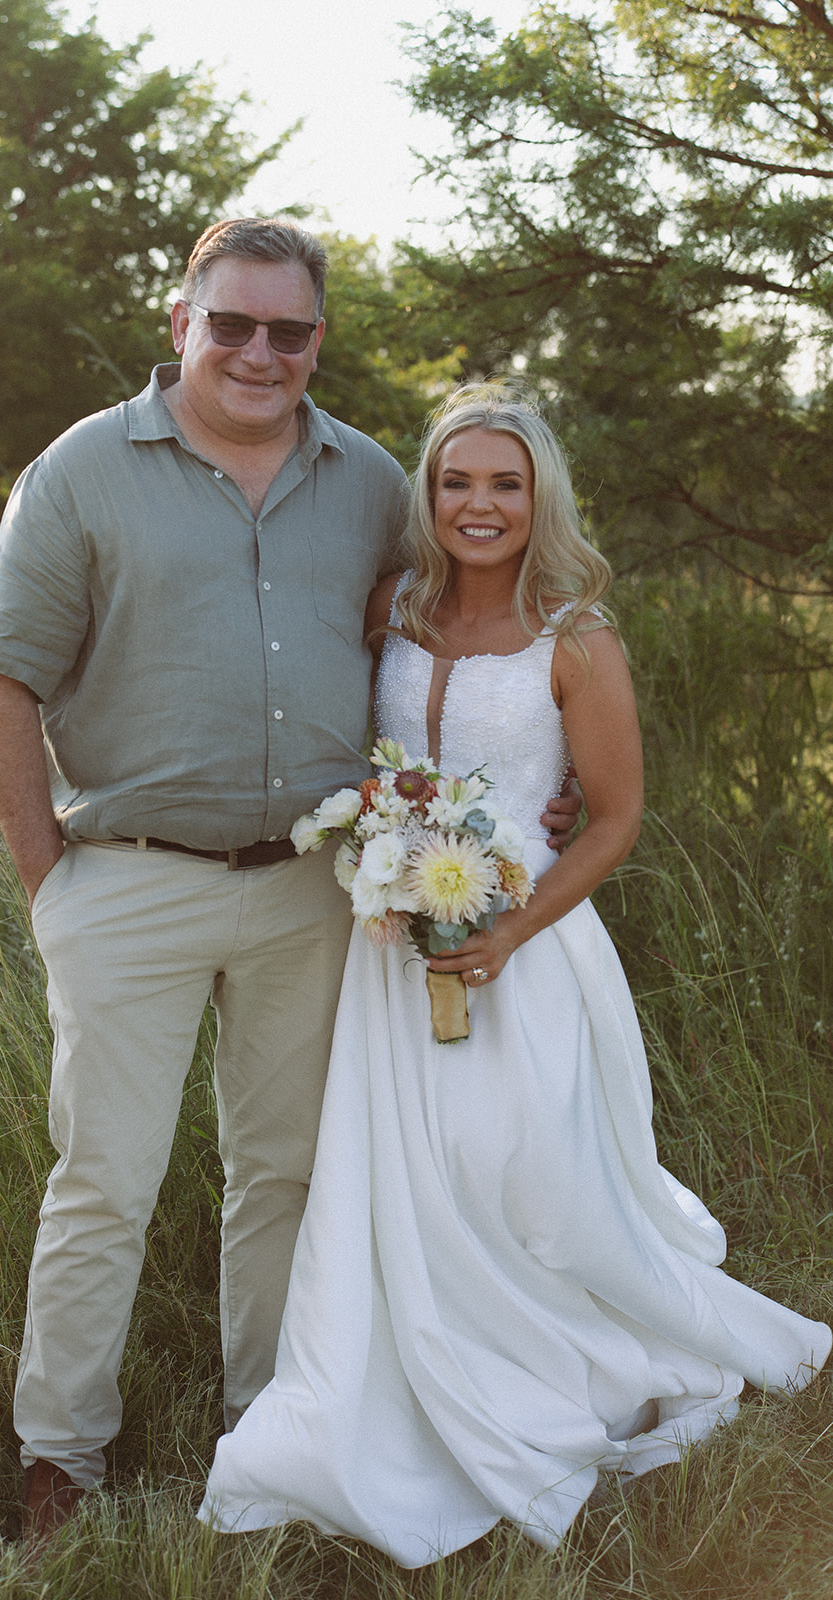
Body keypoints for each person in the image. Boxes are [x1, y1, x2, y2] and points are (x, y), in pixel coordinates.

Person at [0, 221, 580, 1539]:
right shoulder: (80, 471)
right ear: (178, 321)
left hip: (313, 891)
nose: (256, 352)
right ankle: (62, 1452)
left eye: (285, 331)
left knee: (285, 1173)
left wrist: (518, 782)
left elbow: (433, 636)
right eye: (229, 323)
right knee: (102, 1180)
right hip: (124, 878)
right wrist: (42, 874)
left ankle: (269, 1428)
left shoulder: (364, 479)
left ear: (315, 341)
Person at [198, 384, 832, 1564]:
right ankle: (397, 1367)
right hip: (392, 947)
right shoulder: (388, 606)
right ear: (426, 495)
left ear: (539, 496)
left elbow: (613, 816)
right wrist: (386, 865)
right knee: (403, 1172)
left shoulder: (574, 634)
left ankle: (566, 1349)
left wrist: (508, 929)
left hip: (521, 942)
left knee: (522, 1167)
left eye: (503, 483)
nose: (477, 504)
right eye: (455, 481)